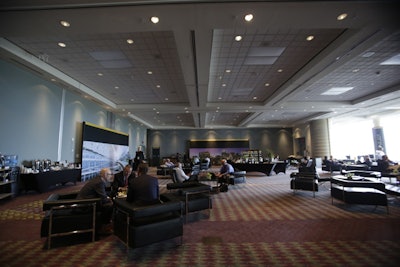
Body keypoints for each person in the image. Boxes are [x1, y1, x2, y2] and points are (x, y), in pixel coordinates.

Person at [77, 167, 114, 234]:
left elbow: (102, 195)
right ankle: (104, 227)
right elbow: (104, 198)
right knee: (109, 206)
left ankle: (106, 223)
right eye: (110, 174)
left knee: (108, 203)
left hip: (85, 201)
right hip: (85, 205)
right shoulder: (99, 182)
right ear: (105, 175)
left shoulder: (98, 179)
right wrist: (111, 200)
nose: (111, 176)